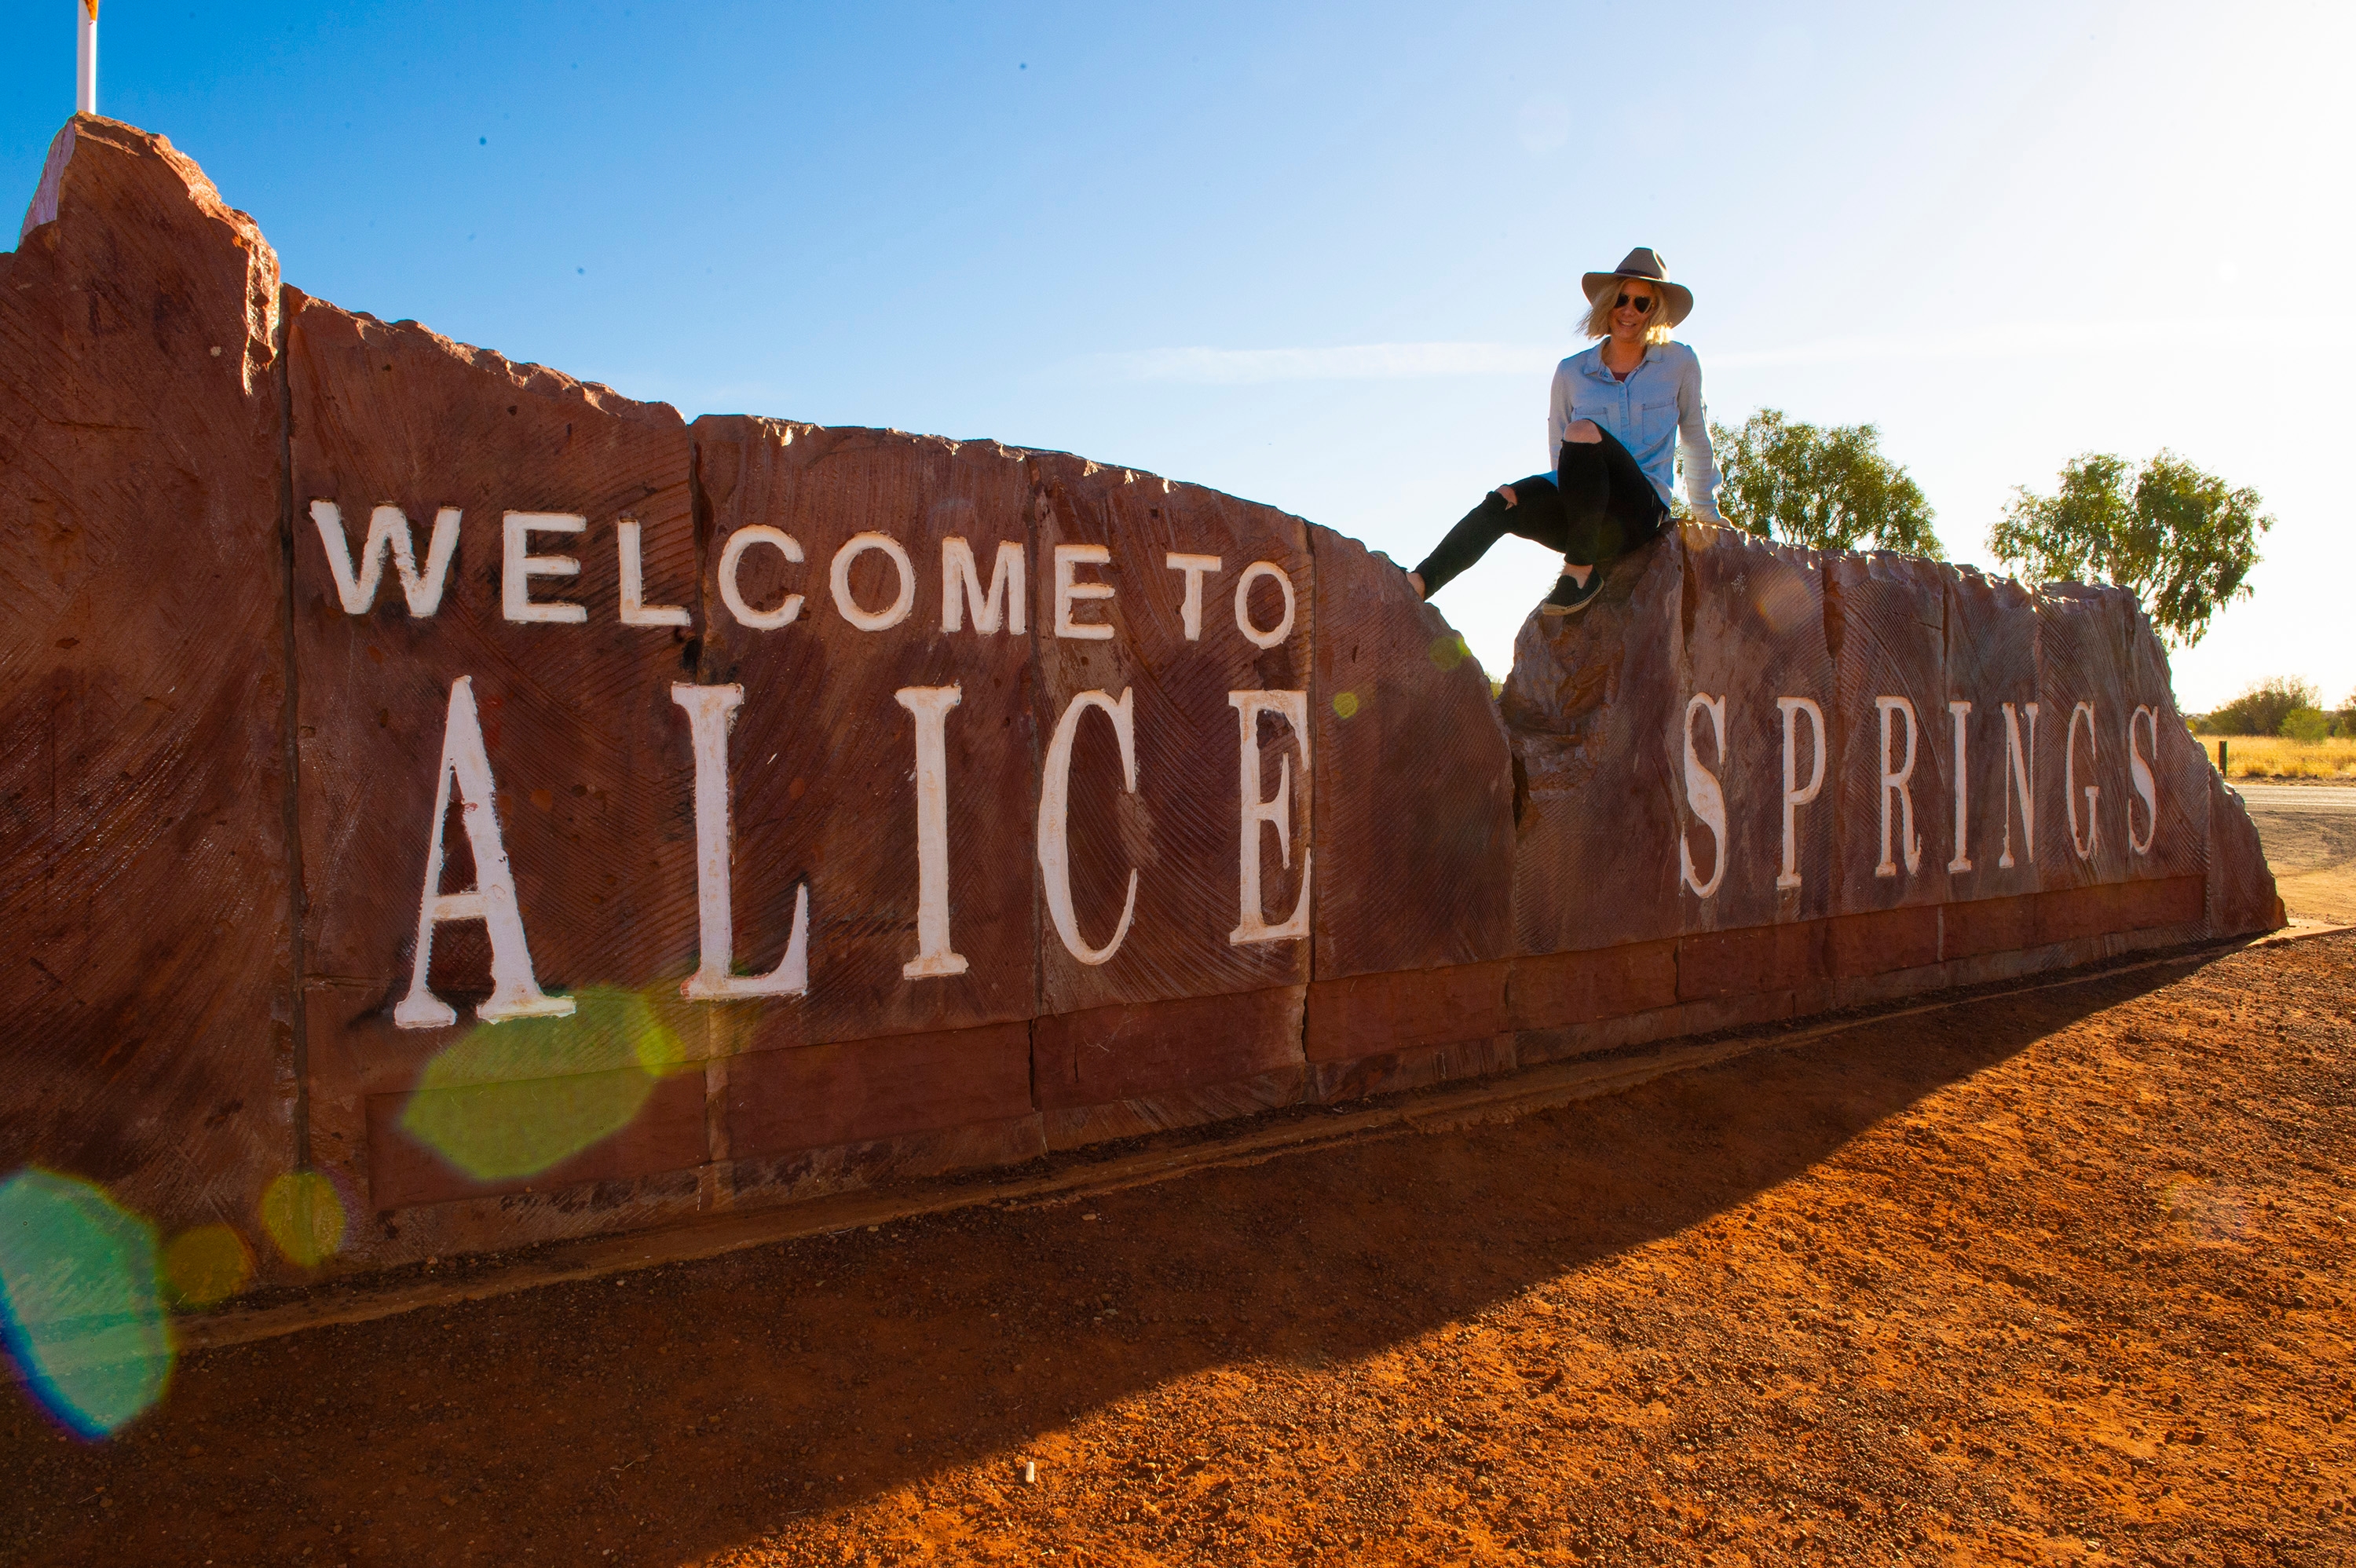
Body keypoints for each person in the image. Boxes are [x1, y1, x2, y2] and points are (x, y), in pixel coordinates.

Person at [1408, 247, 1726, 616]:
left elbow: (1696, 437)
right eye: (1622, 298)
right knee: (1504, 499)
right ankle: (1419, 583)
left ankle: (1579, 575)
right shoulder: (1571, 372)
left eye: (1643, 303)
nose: (1629, 310)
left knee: (1582, 431)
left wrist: (1707, 516)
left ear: (1655, 311)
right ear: (1607, 303)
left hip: (1639, 514)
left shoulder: (1679, 363)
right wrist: (1541, 503)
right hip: (1587, 520)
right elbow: (1563, 463)